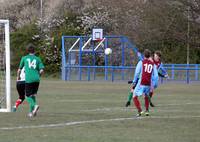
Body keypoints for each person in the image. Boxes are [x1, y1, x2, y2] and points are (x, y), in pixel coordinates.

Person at [17, 43, 44, 118]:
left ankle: (35, 106)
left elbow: (19, 70)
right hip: (37, 79)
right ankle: (31, 112)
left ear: (27, 51)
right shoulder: (38, 59)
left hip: (29, 79)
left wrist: (18, 77)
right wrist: (38, 76)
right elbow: (41, 70)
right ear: (34, 51)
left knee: (27, 96)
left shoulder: (24, 58)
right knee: (33, 95)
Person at [132, 49, 158, 117]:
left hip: (141, 82)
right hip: (148, 83)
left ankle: (140, 110)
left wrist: (134, 81)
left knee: (134, 96)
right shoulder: (153, 64)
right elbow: (156, 75)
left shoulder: (141, 62)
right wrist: (155, 84)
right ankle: (147, 111)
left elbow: (137, 72)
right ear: (150, 56)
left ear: (144, 55)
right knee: (146, 96)